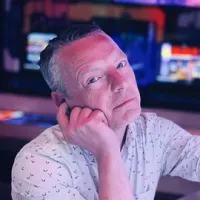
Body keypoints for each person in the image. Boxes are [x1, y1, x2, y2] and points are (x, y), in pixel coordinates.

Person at [11, 23, 200, 200]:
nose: (121, 83)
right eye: (93, 79)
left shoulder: (152, 132)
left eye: (121, 65)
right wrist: (107, 151)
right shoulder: (38, 163)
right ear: (62, 101)